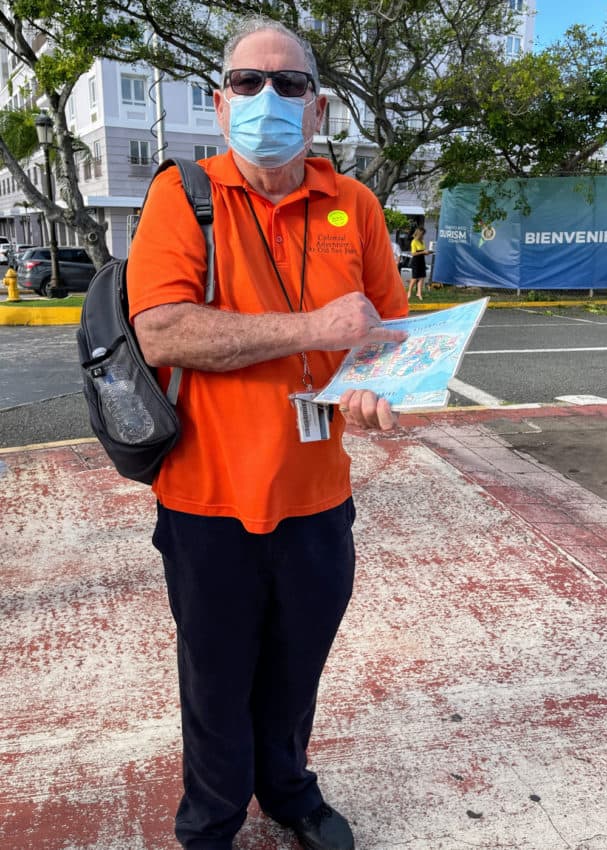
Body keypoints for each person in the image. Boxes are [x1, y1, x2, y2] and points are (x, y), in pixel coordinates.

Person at [127, 15, 408, 850]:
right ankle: (211, 822)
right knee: (215, 684)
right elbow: (164, 331)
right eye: (249, 82)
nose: (268, 98)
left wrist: (379, 386)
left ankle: (289, 792)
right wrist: (312, 328)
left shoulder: (352, 205)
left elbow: (385, 332)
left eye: (289, 84)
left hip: (318, 498)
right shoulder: (183, 196)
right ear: (220, 105)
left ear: (317, 110)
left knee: (294, 675)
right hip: (208, 500)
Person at [407, 226, 431, 300]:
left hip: (422, 260)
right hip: (416, 261)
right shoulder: (414, 241)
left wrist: (427, 252)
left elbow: (422, 252)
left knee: (422, 277)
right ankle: (409, 292)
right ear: (419, 234)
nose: (423, 235)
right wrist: (423, 252)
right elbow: (413, 253)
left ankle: (419, 293)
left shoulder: (422, 241)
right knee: (414, 278)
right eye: (423, 234)